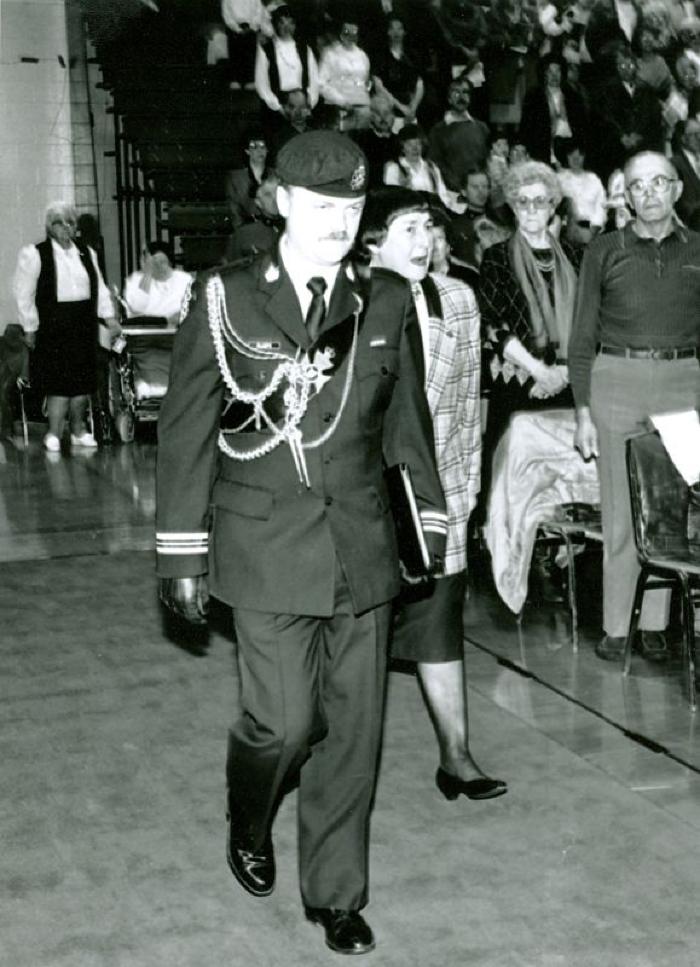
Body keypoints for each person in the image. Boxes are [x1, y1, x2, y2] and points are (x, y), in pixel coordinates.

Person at [155, 131, 447, 956]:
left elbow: (407, 429)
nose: (337, 224)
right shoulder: (226, 298)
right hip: (263, 544)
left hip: (363, 547)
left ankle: (336, 894)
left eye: (352, 209)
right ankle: (249, 814)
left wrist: (425, 525)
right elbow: (184, 434)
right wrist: (181, 550)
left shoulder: (385, 298)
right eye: (320, 207)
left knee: (353, 737)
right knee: (283, 725)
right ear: (280, 200)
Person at [360, 186, 507, 802]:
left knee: (440, 626)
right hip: (365, 496)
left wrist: (466, 493)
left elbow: (471, 404)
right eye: (410, 230)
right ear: (372, 244)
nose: (426, 244)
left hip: (437, 490)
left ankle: (458, 756)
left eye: (430, 230)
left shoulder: (459, 301)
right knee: (355, 636)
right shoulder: (348, 304)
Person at [569, 150, 700, 662]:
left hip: (684, 382)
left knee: (675, 509)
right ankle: (618, 625)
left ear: (676, 189)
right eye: (636, 186)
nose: (648, 194)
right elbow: (580, 338)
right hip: (616, 379)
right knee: (621, 508)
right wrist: (582, 410)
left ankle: (656, 623)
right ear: (625, 194)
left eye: (658, 183)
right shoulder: (604, 250)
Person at [477, 162, 580, 543]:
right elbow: (493, 324)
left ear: (554, 206)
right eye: (523, 202)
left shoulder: (576, 256)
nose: (533, 210)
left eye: (541, 201)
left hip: (569, 382)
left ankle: (561, 550)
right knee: (516, 477)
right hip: (519, 382)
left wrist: (564, 372)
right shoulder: (496, 257)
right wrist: (540, 371)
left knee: (563, 476)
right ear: (512, 206)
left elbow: (589, 323)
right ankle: (515, 550)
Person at [13, 201, 119, 452]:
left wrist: (110, 317)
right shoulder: (35, 253)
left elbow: (100, 287)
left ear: (75, 227)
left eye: (70, 223)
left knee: (82, 384)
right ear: (50, 227)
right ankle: (54, 432)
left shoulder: (87, 252)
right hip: (52, 325)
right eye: (59, 223)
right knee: (58, 384)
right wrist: (30, 327)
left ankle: (79, 431)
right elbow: (23, 294)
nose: (65, 228)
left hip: (83, 322)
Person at [427, 74, 490, 194]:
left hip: (480, 192)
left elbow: (487, 162)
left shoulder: (482, 128)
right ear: (449, 98)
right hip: (453, 193)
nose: (461, 96)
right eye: (456, 92)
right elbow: (435, 165)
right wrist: (459, 187)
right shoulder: (438, 130)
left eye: (465, 92)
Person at [254, 5, 319, 117]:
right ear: (276, 24)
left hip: (302, 105)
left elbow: (314, 81)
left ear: (295, 25)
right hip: (277, 107)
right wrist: (278, 107)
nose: (286, 28)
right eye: (282, 23)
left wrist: (309, 105)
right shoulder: (266, 49)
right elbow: (261, 84)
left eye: (291, 23)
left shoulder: (305, 49)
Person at [383, 123, 462, 212]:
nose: (415, 148)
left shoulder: (431, 167)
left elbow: (443, 196)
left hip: (433, 212)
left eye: (418, 143)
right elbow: (391, 200)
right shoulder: (394, 168)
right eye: (409, 144)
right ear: (402, 147)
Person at [122, 240, 192, 326]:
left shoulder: (184, 279)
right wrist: (148, 273)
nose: (158, 265)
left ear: (170, 262)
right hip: (144, 330)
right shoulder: (135, 279)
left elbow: (192, 308)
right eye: (153, 261)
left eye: (162, 261)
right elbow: (137, 308)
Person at [318, 18, 372, 129]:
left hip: (363, 109)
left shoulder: (362, 56)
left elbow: (365, 82)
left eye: (354, 33)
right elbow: (321, 84)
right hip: (339, 108)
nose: (350, 37)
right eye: (346, 32)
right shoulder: (330, 54)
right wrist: (341, 101)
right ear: (340, 34)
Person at [371, 16, 424, 127]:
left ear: (404, 32)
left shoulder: (412, 55)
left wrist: (413, 107)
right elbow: (378, 86)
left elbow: (419, 83)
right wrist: (401, 107)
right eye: (392, 29)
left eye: (399, 28)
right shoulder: (380, 56)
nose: (396, 32)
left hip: (411, 108)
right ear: (388, 32)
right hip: (388, 108)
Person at [225, 131, 272, 228]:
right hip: (245, 230)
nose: (259, 150)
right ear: (247, 151)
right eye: (254, 147)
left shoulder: (276, 175)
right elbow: (234, 210)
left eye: (263, 146)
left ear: (267, 150)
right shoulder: (235, 177)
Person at [672, 116, 700, 228]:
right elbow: (681, 205)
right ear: (683, 138)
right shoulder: (675, 164)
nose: (699, 138)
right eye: (695, 134)